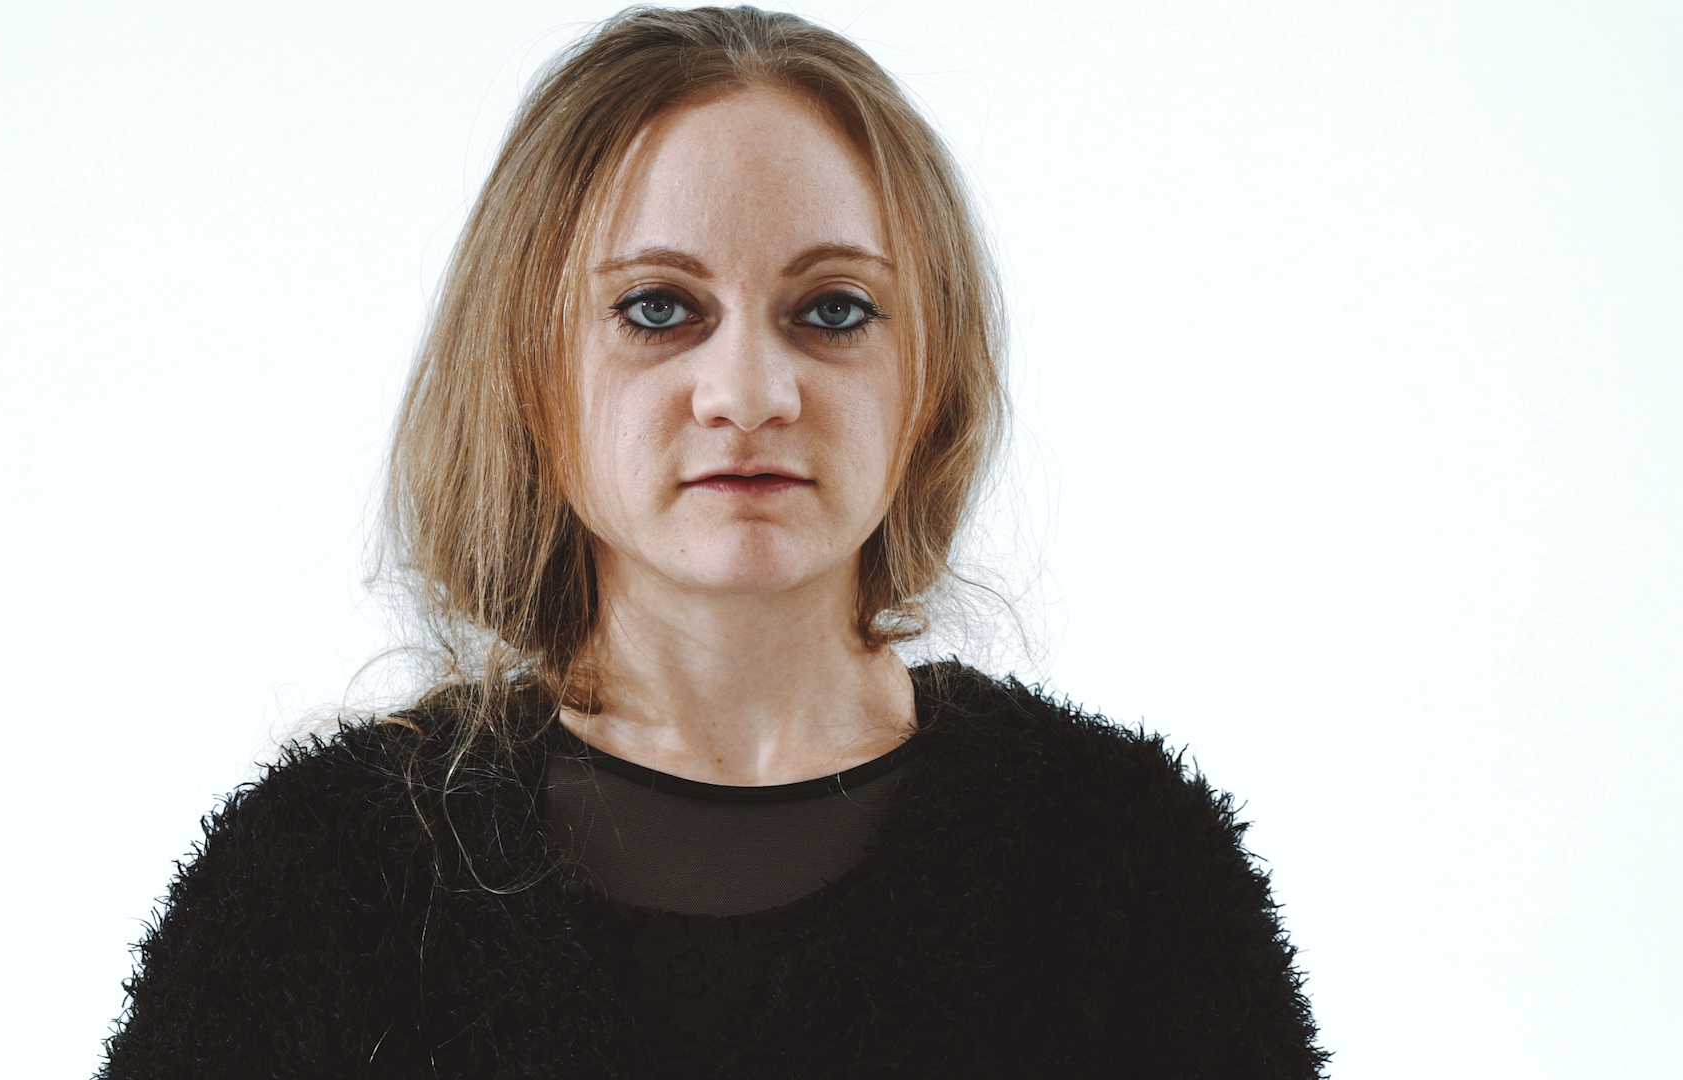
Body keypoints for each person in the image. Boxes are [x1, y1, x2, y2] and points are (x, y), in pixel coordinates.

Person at [97, 7, 1328, 1077]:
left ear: (933, 379)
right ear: (523, 373)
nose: (749, 389)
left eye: (832, 311)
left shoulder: (1122, 863)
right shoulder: (316, 879)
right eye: (657, 309)